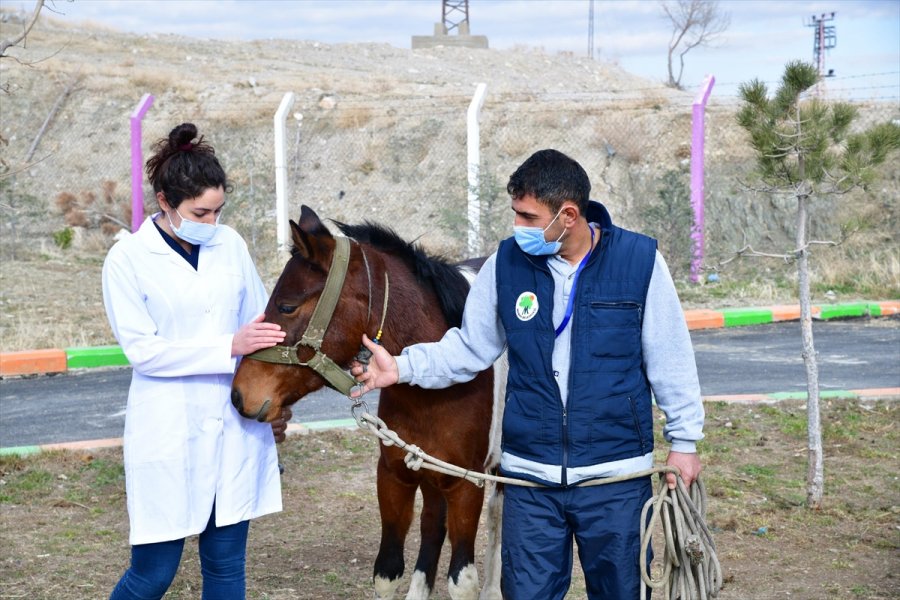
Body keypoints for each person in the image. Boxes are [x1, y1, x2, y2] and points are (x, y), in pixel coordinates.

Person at [351, 148, 704, 599]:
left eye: (528, 217)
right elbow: (469, 348)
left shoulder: (640, 262)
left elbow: (670, 358)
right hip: (530, 483)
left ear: (569, 216)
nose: (517, 228)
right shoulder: (505, 265)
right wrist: (400, 367)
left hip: (614, 481)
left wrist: (685, 442)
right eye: (515, 214)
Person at [102, 122, 292, 600]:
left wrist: (273, 402)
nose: (211, 223)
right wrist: (229, 345)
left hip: (234, 427)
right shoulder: (127, 259)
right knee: (153, 575)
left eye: (218, 211)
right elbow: (143, 351)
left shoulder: (231, 245)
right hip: (169, 427)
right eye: (200, 212)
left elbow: (262, 325)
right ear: (164, 201)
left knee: (226, 570)